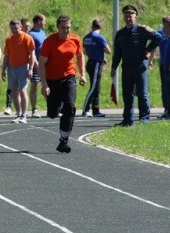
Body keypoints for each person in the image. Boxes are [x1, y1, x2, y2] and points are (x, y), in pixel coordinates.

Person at [39, 15, 87, 153]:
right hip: (52, 79)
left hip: (69, 76)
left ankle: (64, 140)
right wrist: (44, 84)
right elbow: (41, 63)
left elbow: (79, 56)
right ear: (57, 28)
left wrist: (82, 74)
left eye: (68, 28)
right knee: (53, 113)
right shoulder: (49, 41)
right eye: (63, 28)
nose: (66, 31)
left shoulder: (75, 39)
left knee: (70, 106)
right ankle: (56, 106)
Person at [110, 4, 162, 126]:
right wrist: (113, 67)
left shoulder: (142, 30)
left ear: (136, 17)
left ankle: (144, 119)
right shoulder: (120, 34)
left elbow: (158, 38)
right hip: (127, 68)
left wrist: (148, 49)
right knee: (128, 95)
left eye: (131, 16)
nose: (128, 18)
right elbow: (117, 53)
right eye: (126, 16)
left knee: (142, 94)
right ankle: (127, 120)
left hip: (139, 67)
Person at [1, 19, 36, 123]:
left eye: (16, 28)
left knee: (22, 90)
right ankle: (18, 113)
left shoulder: (27, 38)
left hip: (23, 67)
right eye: (12, 28)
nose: (14, 30)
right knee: (14, 91)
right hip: (12, 68)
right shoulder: (9, 39)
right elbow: (6, 55)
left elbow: (32, 54)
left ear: (21, 27)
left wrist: (30, 69)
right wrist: (3, 70)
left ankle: (24, 115)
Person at [81, 18, 111, 117]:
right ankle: (85, 109)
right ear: (100, 27)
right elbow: (108, 51)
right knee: (94, 87)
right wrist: (100, 55)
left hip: (90, 62)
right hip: (96, 64)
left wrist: (94, 55)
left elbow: (84, 51)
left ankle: (96, 110)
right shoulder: (99, 37)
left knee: (97, 87)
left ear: (92, 26)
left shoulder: (86, 37)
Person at [27, 14, 47, 118]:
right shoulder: (31, 34)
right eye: (44, 21)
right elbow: (31, 52)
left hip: (44, 63)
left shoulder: (43, 33)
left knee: (47, 84)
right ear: (39, 21)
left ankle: (51, 107)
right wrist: (36, 64)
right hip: (36, 64)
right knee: (34, 86)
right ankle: (34, 109)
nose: (45, 23)